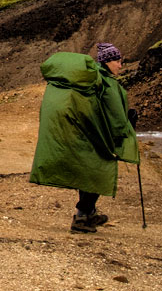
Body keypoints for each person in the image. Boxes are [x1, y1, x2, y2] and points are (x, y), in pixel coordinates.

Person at [29, 42, 139, 233]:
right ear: (107, 62)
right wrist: (128, 125)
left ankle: (89, 213)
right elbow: (115, 115)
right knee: (98, 169)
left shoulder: (90, 79)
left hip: (77, 131)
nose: (121, 65)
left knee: (88, 170)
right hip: (91, 134)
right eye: (118, 60)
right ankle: (81, 217)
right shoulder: (106, 82)